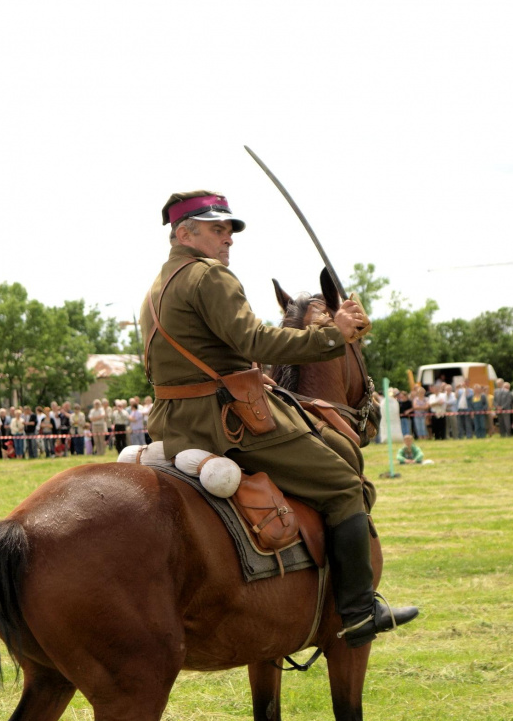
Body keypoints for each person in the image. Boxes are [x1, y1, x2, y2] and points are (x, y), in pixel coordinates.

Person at [140, 189, 417, 649]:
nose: (227, 239)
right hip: (227, 421)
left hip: (174, 424)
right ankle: (358, 610)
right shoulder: (210, 276)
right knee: (344, 485)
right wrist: (334, 333)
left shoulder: (157, 287)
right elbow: (257, 342)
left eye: (229, 229)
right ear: (184, 232)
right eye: (216, 229)